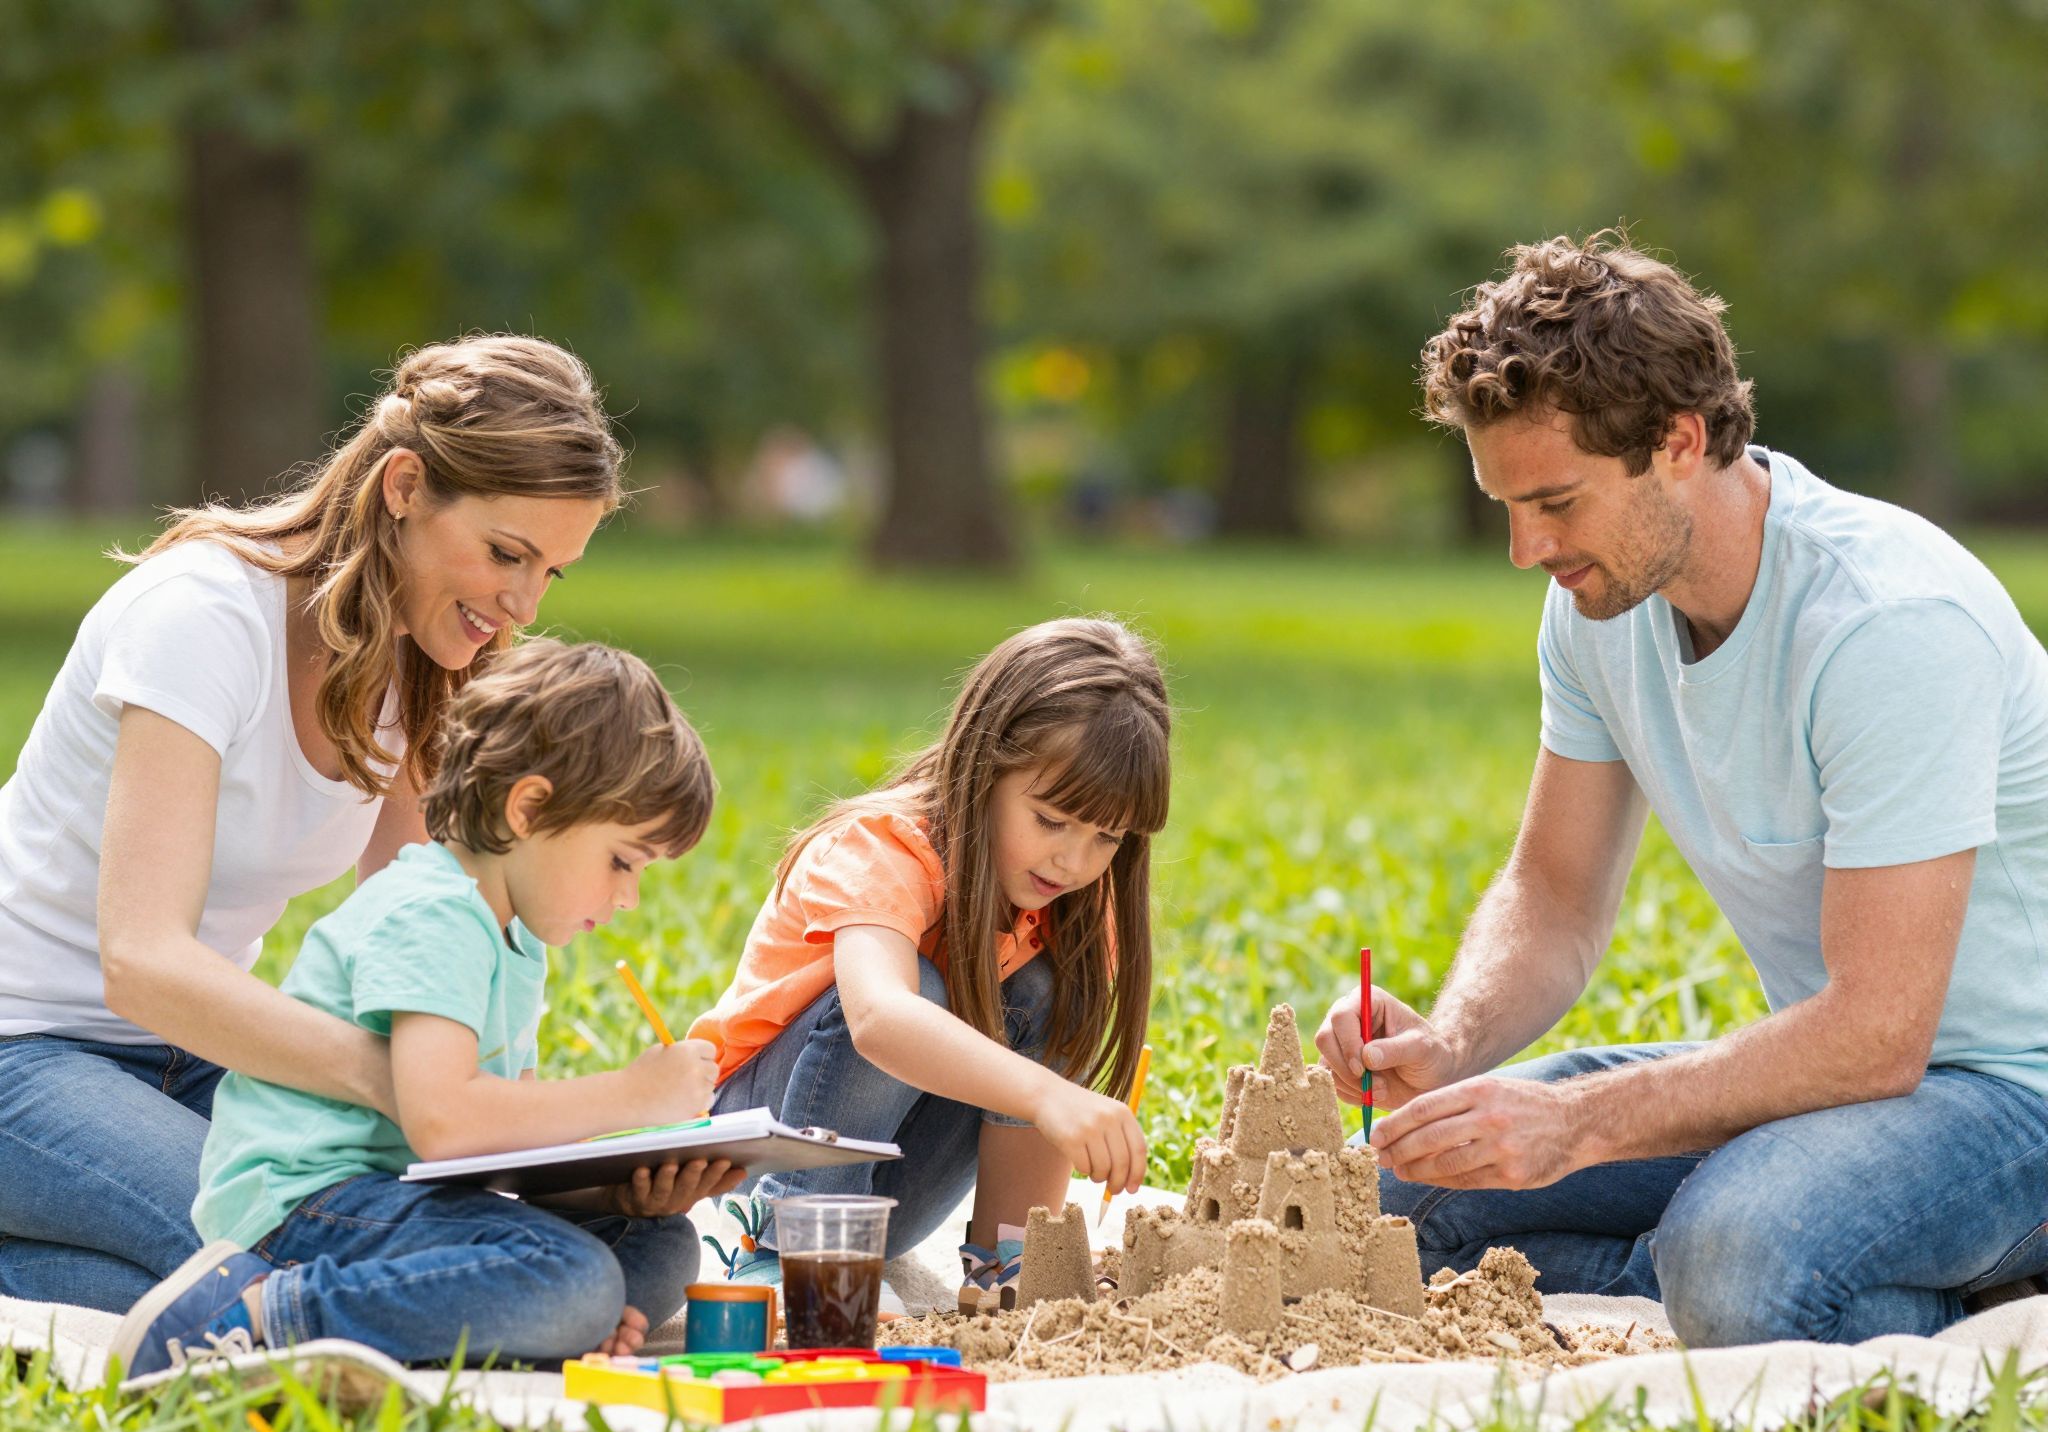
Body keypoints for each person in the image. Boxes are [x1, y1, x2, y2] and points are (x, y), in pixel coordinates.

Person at [1315, 233, 2048, 1347]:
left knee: (1735, 1251)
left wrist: (1574, 1124)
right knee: (1400, 1194)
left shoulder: (1884, 627)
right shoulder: (1598, 603)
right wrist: (1452, 1045)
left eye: (1553, 501)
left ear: (1676, 441)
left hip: (2008, 1094)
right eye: (1505, 506)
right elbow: (1553, 897)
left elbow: (1876, 1033)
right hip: (1837, 1095)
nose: (1524, 549)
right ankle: (1856, 1288)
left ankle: (1754, 1273)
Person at [0, 336, 623, 1311]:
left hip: (210, 1058)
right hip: (29, 1051)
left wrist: (508, 1123)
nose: (521, 603)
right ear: (405, 485)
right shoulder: (200, 618)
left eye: (552, 572)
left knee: (624, 1253)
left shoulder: (425, 658)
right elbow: (141, 959)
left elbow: (423, 923)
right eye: (506, 554)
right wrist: (396, 1086)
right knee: (309, 1270)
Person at [111, 640, 743, 1375]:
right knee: (578, 1281)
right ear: (530, 809)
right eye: (621, 862)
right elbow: (445, 1125)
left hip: (401, 1197)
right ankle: (256, 1313)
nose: (627, 897)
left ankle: (528, 1322)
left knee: (658, 1244)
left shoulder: (514, 935)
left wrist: (626, 1187)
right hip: (307, 1205)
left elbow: (507, 1151)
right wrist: (634, 1095)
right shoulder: (435, 912)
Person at [690, 617, 1168, 1305]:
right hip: (756, 1148)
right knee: (924, 986)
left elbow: (1044, 1034)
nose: (1075, 860)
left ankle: (1005, 1262)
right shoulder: (883, 849)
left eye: (1107, 838)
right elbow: (878, 1018)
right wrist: (1050, 1097)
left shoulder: (1077, 905)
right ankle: (776, 1247)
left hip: (886, 1193)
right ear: (985, 767)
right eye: (1051, 820)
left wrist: (1025, 1263)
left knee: (1052, 989)